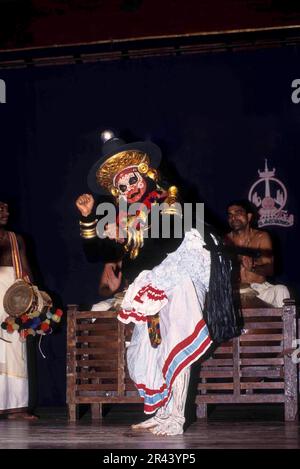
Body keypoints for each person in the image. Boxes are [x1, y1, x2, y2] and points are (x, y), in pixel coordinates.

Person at [76, 131, 240, 435]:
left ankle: (176, 418)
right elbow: (95, 254)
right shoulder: (124, 217)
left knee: (176, 341)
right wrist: (88, 219)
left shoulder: (169, 202)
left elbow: (165, 243)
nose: (129, 188)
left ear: (146, 176)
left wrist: (129, 233)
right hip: (151, 288)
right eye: (121, 186)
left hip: (179, 279)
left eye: (133, 180)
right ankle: (160, 412)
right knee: (145, 350)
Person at [0, 201, 38, 420]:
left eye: (6, 208)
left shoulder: (15, 239)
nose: (6, 212)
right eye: (0, 208)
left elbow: (25, 271)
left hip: (13, 297)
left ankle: (16, 407)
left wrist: (34, 299)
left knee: (16, 349)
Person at [225, 199, 290, 307]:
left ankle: (286, 323)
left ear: (249, 217)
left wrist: (252, 268)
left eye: (238, 213)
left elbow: (270, 269)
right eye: (230, 215)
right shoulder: (224, 241)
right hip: (235, 292)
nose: (233, 218)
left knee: (281, 290)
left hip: (260, 291)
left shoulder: (261, 237)